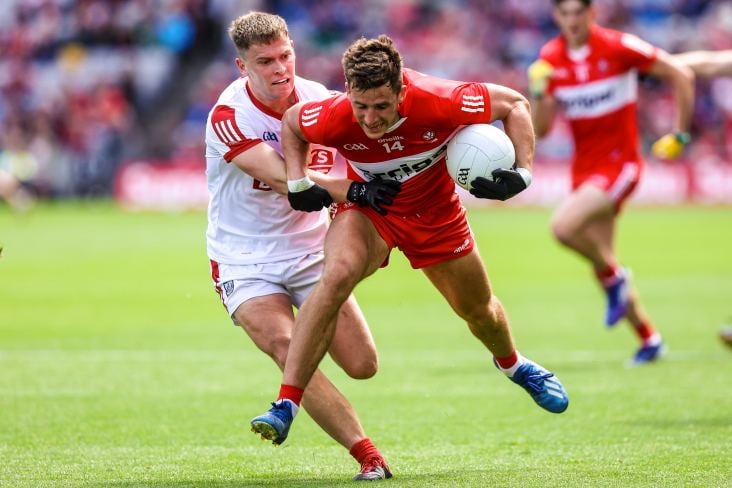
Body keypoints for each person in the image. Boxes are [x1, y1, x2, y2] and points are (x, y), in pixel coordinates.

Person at [249, 34, 569, 449]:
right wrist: (297, 181)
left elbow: (515, 104)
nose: (370, 119)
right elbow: (293, 124)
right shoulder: (335, 115)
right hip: (372, 209)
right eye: (361, 106)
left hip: (436, 215)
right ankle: (286, 403)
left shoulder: (439, 98)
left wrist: (523, 173)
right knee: (336, 276)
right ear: (348, 91)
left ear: (402, 91)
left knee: (480, 312)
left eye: (382, 106)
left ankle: (514, 365)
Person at [205, 12, 394, 481]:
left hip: (312, 254)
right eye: (265, 61)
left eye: (285, 56)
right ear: (242, 66)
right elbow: (290, 184)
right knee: (286, 346)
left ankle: (297, 407)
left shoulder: (323, 102)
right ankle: (368, 456)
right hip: (244, 260)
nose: (279, 68)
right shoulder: (228, 116)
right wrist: (356, 192)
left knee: (363, 364)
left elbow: (373, 147)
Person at [527, 0, 695, 365]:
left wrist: (680, 134)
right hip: (584, 170)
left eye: (578, 13)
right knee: (602, 262)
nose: (572, 20)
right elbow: (541, 129)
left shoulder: (618, 46)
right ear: (557, 16)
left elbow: (681, 73)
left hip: (620, 165)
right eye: (565, 14)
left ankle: (618, 279)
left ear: (592, 13)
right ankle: (649, 339)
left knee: (563, 227)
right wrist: (538, 92)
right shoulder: (551, 58)